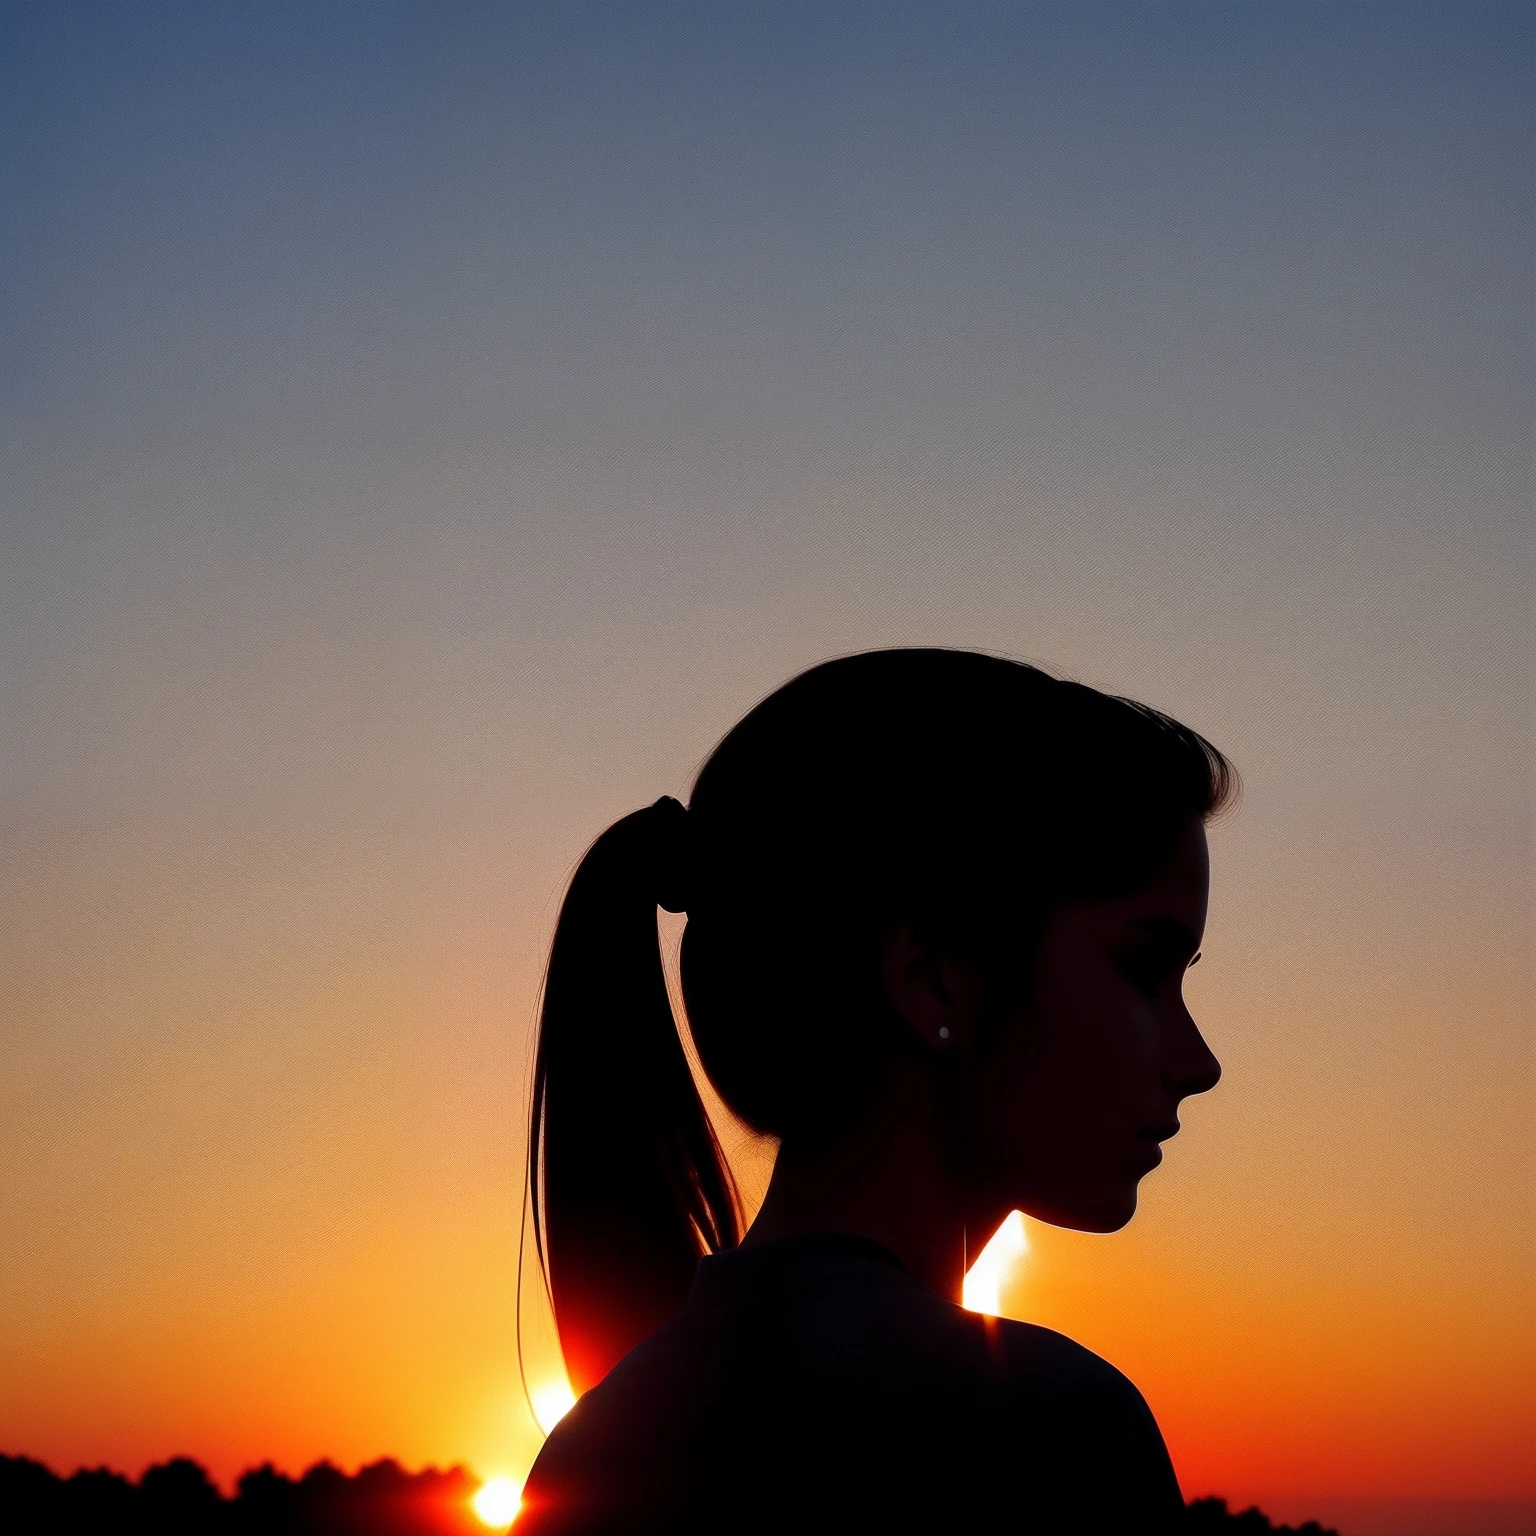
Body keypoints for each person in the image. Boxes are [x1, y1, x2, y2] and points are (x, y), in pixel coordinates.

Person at [514, 649, 1236, 1534]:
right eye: (1144, 970)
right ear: (934, 980)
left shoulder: (587, 1454)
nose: (1198, 1061)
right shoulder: (1051, 1431)